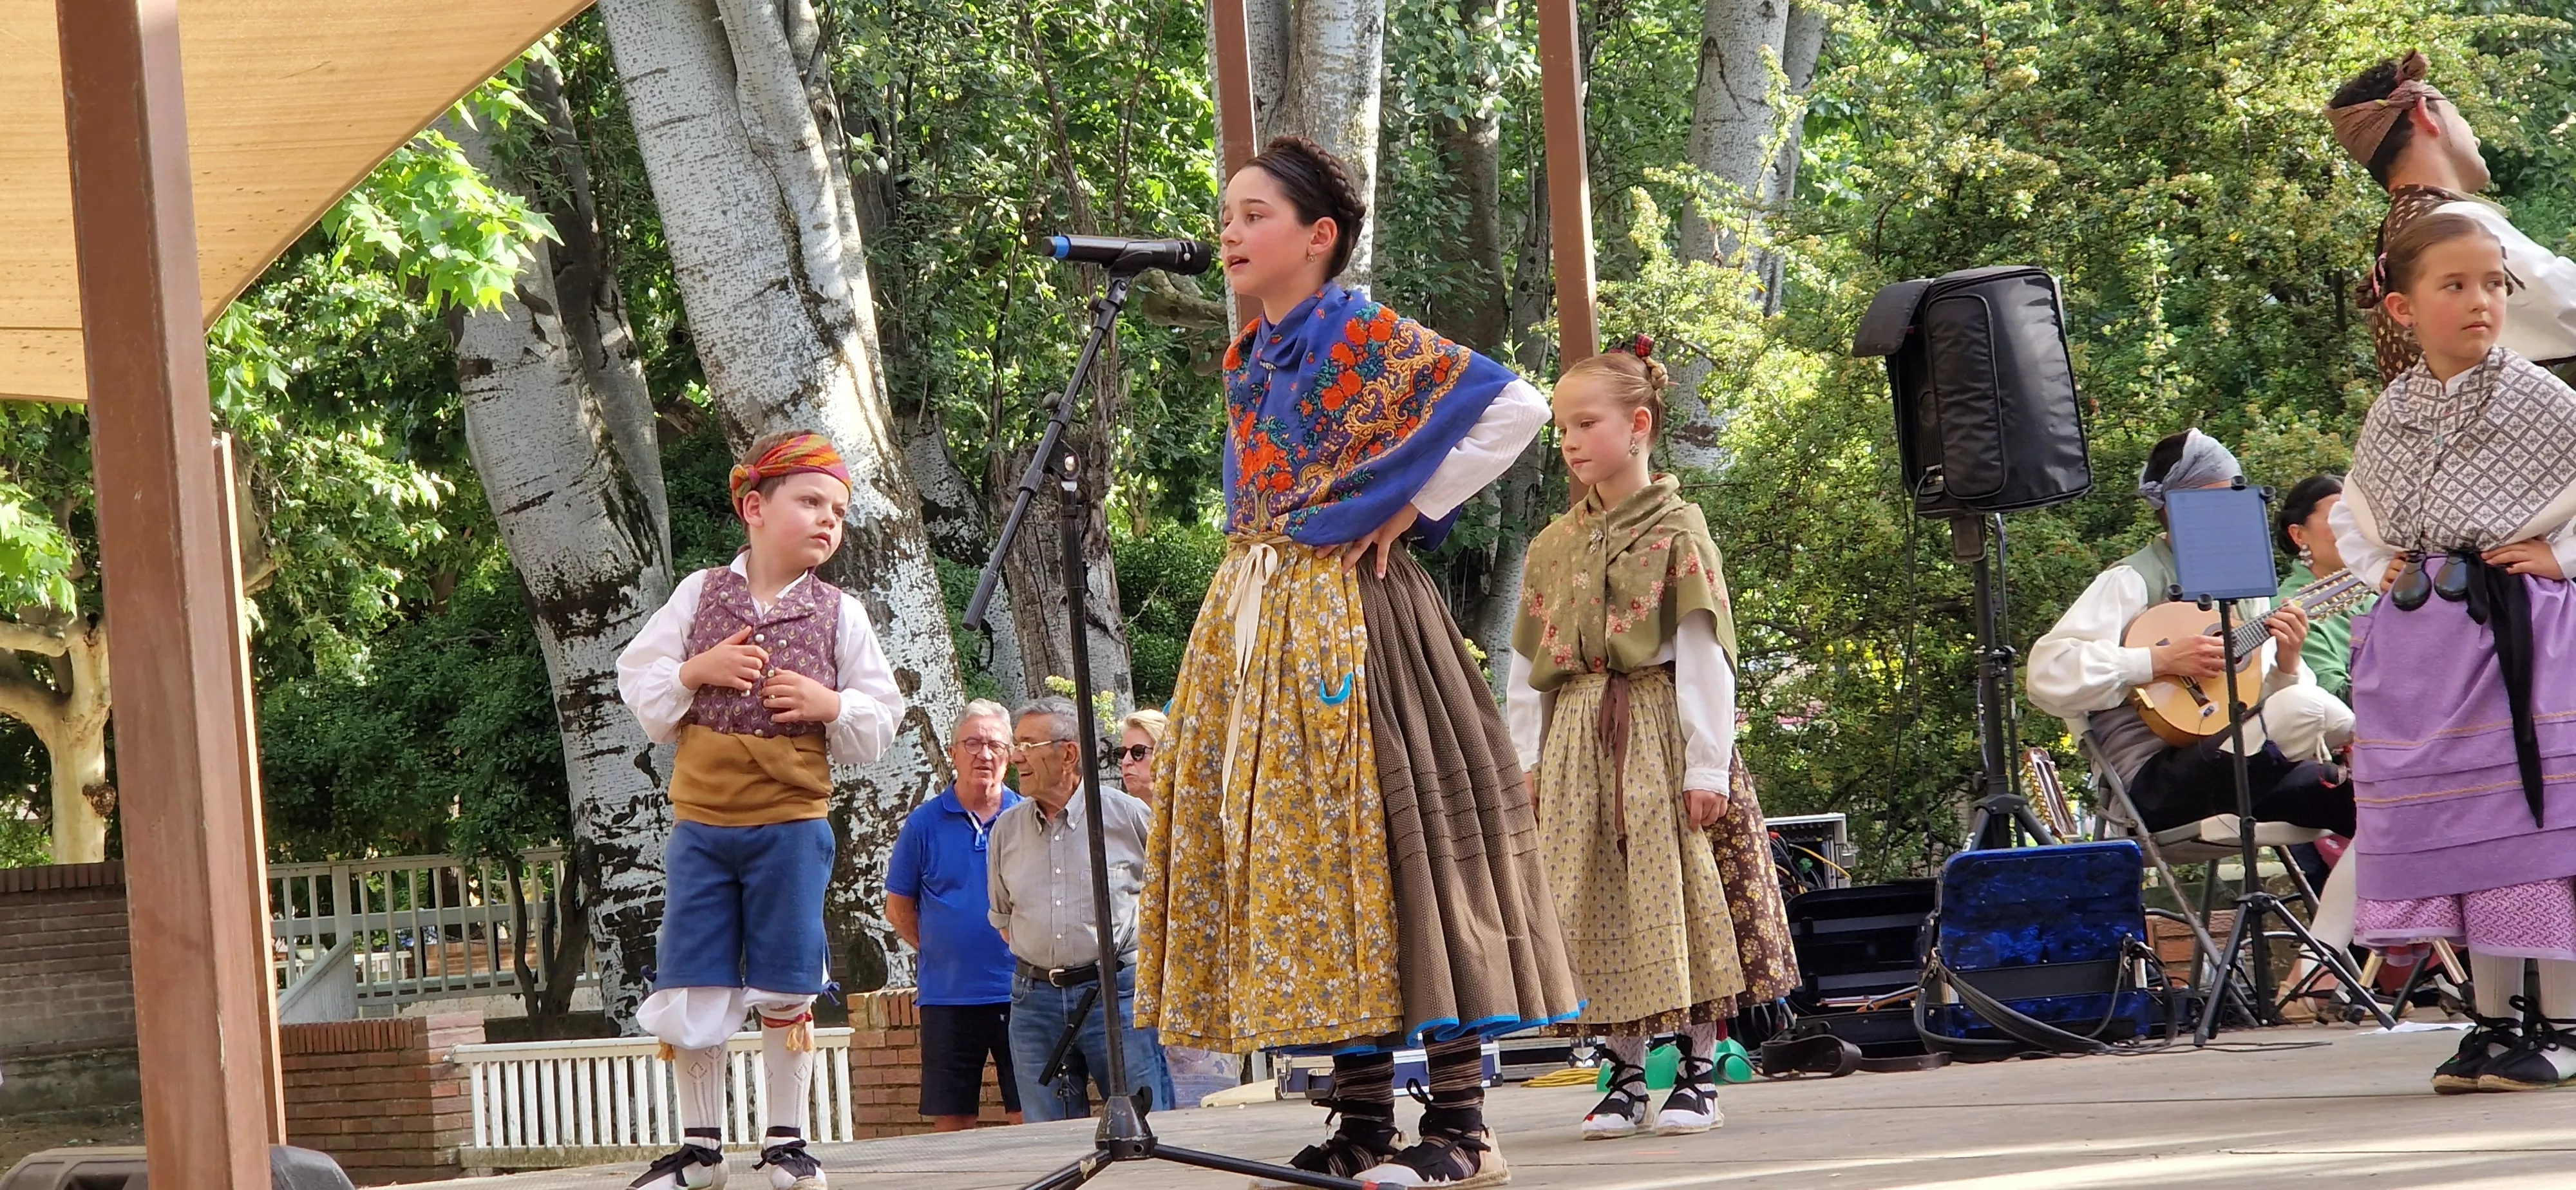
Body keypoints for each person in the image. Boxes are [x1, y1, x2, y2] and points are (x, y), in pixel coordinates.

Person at [1135, 134, 1580, 1190]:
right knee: (1322, 867)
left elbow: (1515, 403)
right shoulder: (1252, 352)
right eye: (1228, 213)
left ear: (1318, 235)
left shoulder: (1359, 330)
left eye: (1253, 214)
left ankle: (1465, 1122)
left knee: (1403, 849)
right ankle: (1364, 1116)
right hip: (1261, 618)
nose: (1230, 231)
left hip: (1360, 621)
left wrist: (1412, 506)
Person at [1504, 341, 1798, 1141]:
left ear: (1639, 426)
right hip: (1576, 738)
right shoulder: (1553, 544)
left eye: (1585, 422)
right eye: (1561, 426)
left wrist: (1707, 764)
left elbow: (1705, 655)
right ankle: (1624, 1071)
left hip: (1656, 729)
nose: (1568, 440)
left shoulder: (1678, 533)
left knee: (1679, 895)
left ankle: (1698, 1068)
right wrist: (1524, 761)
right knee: (1596, 898)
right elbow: (1529, 664)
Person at [615, 430, 905, 1190]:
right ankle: (700, 1150)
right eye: (810, 502)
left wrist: (828, 702)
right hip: (703, 827)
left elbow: (881, 715)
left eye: (838, 511)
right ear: (754, 506)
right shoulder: (700, 594)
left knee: (786, 976)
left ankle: (785, 1142)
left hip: (790, 826)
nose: (827, 521)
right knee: (696, 976)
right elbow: (639, 677)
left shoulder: (841, 614)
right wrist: (695, 669)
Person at [2331, 212, 2576, 1093]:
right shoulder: (2394, 412)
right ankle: (2492, 1022)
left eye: (2495, 284)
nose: (2483, 302)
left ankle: (2564, 1025)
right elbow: (2354, 513)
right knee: (2464, 832)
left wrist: (2560, 554)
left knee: (2531, 827)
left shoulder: (2543, 400)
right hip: (2428, 646)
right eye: (2456, 285)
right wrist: (2383, 562)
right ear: (2402, 307)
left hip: (2524, 635)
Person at [2025, 430, 2356, 840]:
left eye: (2236, 494)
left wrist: (2287, 663)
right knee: (2309, 709)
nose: (2230, 509)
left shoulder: (2245, 593)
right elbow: (2045, 675)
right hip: (2154, 784)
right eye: (2216, 498)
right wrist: (2159, 661)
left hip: (2243, 769)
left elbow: (2271, 705)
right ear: (2174, 508)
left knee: (2368, 801)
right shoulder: (2132, 580)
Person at [2325, 49, 2576, 386]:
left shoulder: (2401, 235)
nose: (2474, 135)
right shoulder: (2454, 226)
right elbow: (2568, 309)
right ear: (2424, 116)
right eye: (2457, 115)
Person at [988, 697, 1175, 1120]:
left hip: (1119, 995)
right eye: (1016, 743)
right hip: (1034, 1004)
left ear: (1068, 752)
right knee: (1046, 1142)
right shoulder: (1006, 831)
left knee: (1146, 1129)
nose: (1016, 756)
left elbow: (1170, 902)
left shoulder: (1129, 817)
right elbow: (1003, 918)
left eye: (1028, 744)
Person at [886, 700, 1025, 1131]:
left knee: (1031, 1114)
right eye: (973, 744)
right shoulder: (923, 825)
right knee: (952, 1121)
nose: (984, 755)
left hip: (1023, 994)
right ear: (953, 752)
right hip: (948, 998)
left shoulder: (1028, 819)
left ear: (1011, 755)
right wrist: (945, 948)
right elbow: (898, 908)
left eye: (995, 745)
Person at [1115, 708, 1168, 804]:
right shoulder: (1118, 814)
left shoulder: (1188, 812)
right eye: (1122, 753)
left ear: (1162, 754)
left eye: (1138, 752)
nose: (1125, 762)